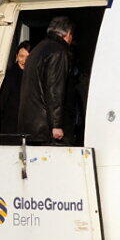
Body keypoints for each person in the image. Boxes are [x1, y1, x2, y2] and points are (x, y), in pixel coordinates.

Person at [19, 16, 76, 145]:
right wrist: (56, 125)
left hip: (32, 127)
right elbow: (55, 89)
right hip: (48, 130)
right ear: (67, 34)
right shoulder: (58, 52)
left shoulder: (37, 50)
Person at [0, 41, 31, 145]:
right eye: (21, 56)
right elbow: (2, 101)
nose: (24, 60)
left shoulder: (34, 76)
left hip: (28, 124)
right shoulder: (9, 75)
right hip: (10, 125)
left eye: (28, 57)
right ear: (16, 56)